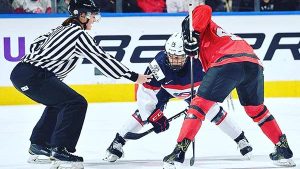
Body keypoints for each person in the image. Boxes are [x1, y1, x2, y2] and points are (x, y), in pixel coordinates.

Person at [9, 0, 151, 168]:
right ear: (81, 15)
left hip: (22, 72)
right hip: (34, 76)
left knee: (59, 103)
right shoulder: (78, 35)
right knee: (76, 103)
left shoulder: (61, 29)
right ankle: (60, 149)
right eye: (92, 15)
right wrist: (134, 76)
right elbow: (102, 58)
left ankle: (38, 145)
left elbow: (36, 44)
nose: (94, 19)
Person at [163, 5, 295, 169]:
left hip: (226, 62)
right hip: (252, 64)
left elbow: (204, 8)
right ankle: (283, 148)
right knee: (256, 110)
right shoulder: (219, 38)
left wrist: (194, 34)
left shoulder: (200, 26)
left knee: (197, 107)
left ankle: (178, 153)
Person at [103, 32, 253, 163]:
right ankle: (117, 143)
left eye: (179, 57)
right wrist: (152, 116)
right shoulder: (158, 64)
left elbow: (220, 73)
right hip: (166, 89)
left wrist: (221, 88)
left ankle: (241, 139)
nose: (175, 60)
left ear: (187, 55)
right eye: (172, 56)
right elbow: (145, 91)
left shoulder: (199, 61)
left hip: (195, 90)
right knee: (142, 114)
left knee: (213, 110)